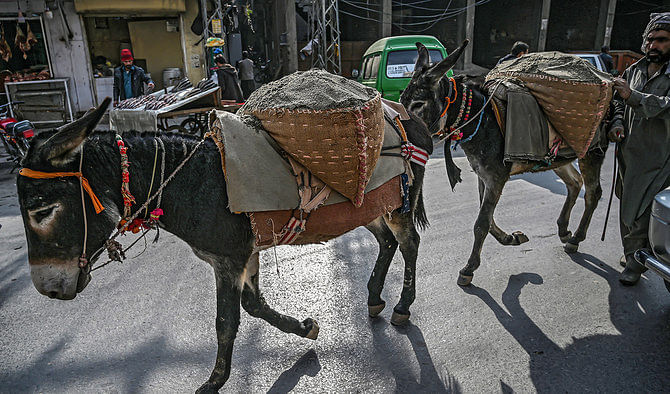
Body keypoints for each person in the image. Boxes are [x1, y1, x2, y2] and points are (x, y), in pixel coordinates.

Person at [611, 12, 670, 286]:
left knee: (643, 212)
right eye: (650, 39)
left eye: (661, 40)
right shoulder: (634, 70)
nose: (653, 45)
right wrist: (617, 123)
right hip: (628, 154)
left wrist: (631, 95)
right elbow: (618, 102)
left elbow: (663, 105)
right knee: (627, 206)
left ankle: (636, 262)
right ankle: (632, 252)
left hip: (659, 159)